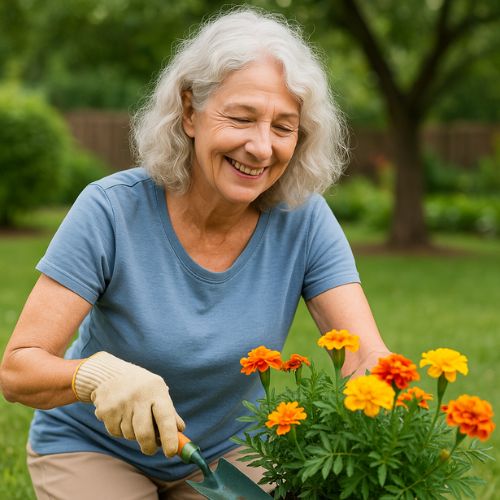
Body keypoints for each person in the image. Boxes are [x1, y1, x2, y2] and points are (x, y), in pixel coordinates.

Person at [0, 7, 390, 500]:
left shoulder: (304, 221)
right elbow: (18, 369)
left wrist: (385, 430)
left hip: (226, 454)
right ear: (189, 112)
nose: (261, 147)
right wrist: (96, 376)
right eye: (242, 118)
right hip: (94, 446)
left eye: (283, 127)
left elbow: (366, 356)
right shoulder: (111, 210)